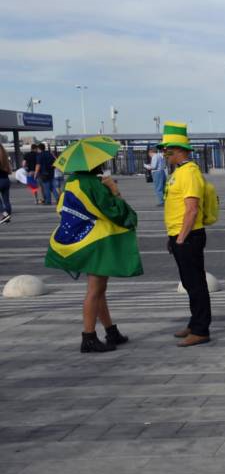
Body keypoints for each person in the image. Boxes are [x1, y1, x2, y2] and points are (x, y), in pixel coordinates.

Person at [43, 141, 142, 353]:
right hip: (97, 243)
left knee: (99, 290)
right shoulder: (94, 184)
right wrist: (114, 190)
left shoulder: (72, 182)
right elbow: (117, 212)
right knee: (95, 290)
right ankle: (88, 337)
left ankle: (111, 331)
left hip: (82, 240)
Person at [160, 122, 212, 347]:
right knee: (189, 283)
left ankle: (201, 330)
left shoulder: (189, 173)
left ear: (178, 150)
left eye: (167, 150)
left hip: (189, 236)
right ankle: (194, 323)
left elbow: (191, 209)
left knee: (196, 283)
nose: (164, 153)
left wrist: (181, 237)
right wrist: (173, 236)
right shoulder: (179, 172)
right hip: (180, 234)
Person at [0, 144, 12, 224]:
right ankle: (7, 217)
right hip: (6, 180)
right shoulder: (5, 156)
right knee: (6, 200)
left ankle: (5, 214)